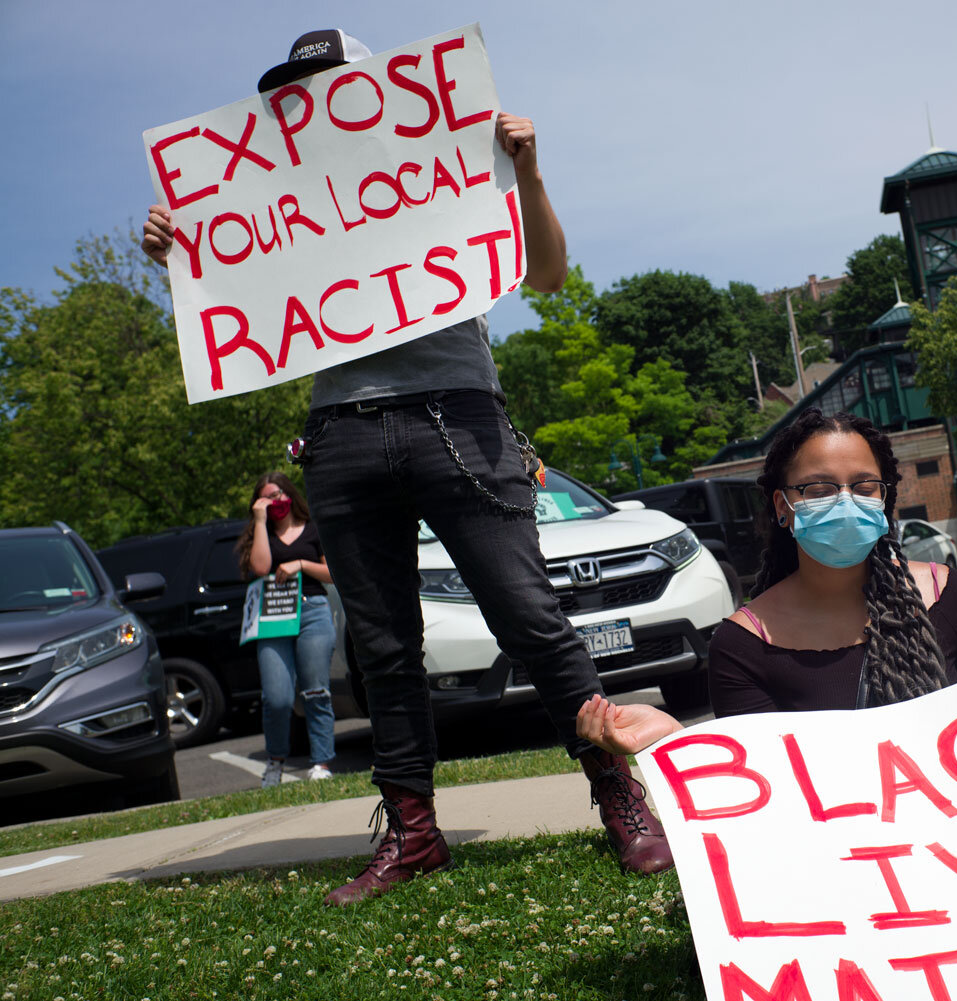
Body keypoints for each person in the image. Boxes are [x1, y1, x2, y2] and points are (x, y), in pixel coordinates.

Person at [141, 28, 671, 905]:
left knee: (528, 615)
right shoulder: (278, 198)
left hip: (458, 415)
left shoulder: (450, 160)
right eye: (296, 94)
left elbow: (546, 274)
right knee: (383, 645)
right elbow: (238, 291)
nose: (312, 106)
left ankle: (619, 792)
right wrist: (183, 250)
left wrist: (527, 172)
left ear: (375, 91)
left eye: (331, 86)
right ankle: (413, 830)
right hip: (341, 432)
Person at [577, 409, 957, 753]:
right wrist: (676, 744)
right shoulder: (743, 644)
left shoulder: (947, 594)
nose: (844, 501)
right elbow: (764, 783)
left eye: (863, 486)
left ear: (886, 499)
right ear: (783, 507)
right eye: (818, 488)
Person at [234, 472, 336, 786]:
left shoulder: (313, 529)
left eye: (278, 494)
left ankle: (321, 762)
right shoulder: (258, 535)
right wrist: (261, 521)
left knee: (316, 690)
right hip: (273, 617)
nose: (274, 502)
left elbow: (332, 573)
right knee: (276, 697)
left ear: (289, 494)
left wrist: (302, 565)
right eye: (265, 498)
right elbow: (261, 568)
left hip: (312, 611)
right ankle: (276, 761)